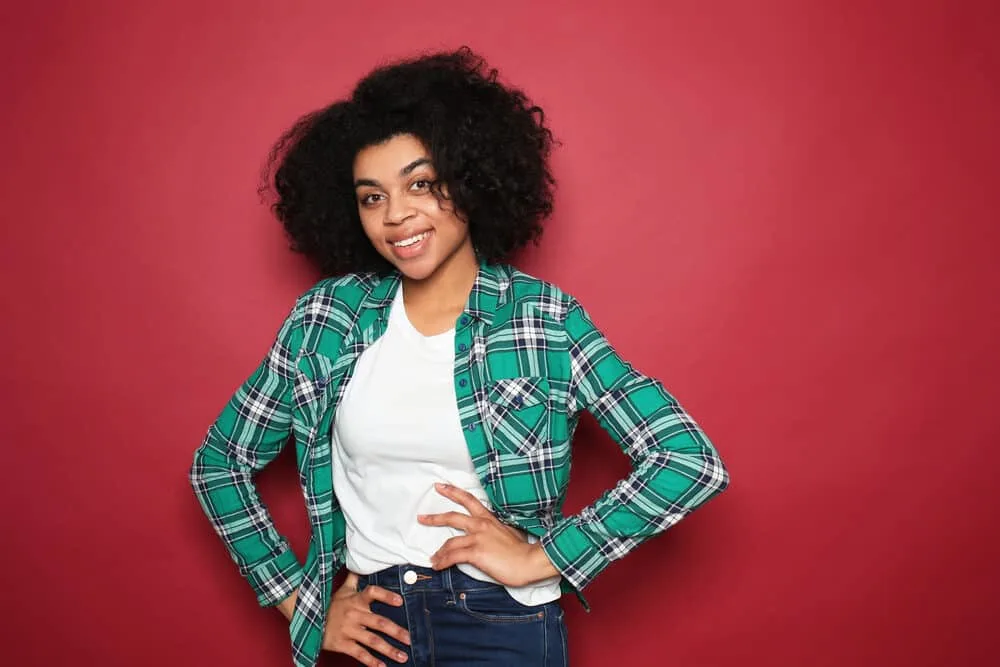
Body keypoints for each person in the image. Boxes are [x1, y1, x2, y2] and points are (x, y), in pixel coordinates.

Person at [189, 47, 729, 667]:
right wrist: (301, 606)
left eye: (420, 184)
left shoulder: (540, 318)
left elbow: (686, 459)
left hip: (501, 625)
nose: (396, 216)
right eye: (372, 197)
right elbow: (219, 464)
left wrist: (541, 556)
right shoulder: (326, 319)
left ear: (471, 181)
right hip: (375, 627)